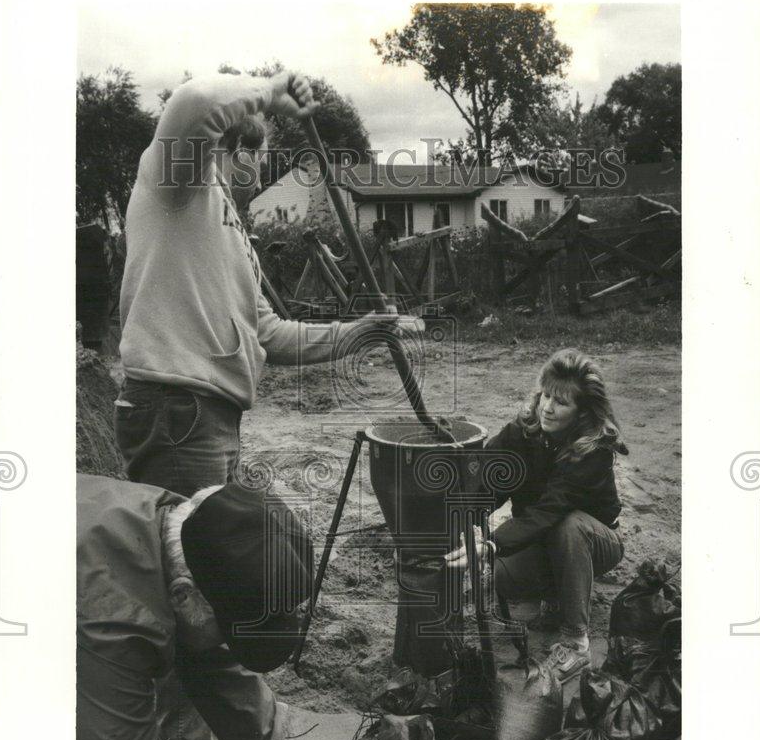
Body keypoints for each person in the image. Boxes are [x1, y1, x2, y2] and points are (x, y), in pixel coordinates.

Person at [115, 68, 420, 497]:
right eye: (259, 157)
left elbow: (270, 335)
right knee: (197, 556)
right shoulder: (176, 186)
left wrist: (360, 332)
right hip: (177, 408)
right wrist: (272, 91)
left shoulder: (230, 230)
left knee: (222, 547)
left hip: (210, 414)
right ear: (236, 149)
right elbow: (197, 97)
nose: (262, 171)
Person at [77, 473, 321, 740]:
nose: (227, 647)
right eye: (228, 633)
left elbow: (213, 661)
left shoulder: (185, 528)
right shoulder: (110, 623)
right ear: (184, 596)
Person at [445, 349, 627, 682]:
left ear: (582, 412)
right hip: (544, 539)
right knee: (501, 578)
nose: (547, 407)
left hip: (594, 540)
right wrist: (462, 517)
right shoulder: (522, 433)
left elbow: (550, 510)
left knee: (570, 527)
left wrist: (492, 544)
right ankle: (560, 593)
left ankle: (576, 641)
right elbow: (488, 483)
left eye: (561, 402)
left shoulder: (593, 451)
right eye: (545, 395)